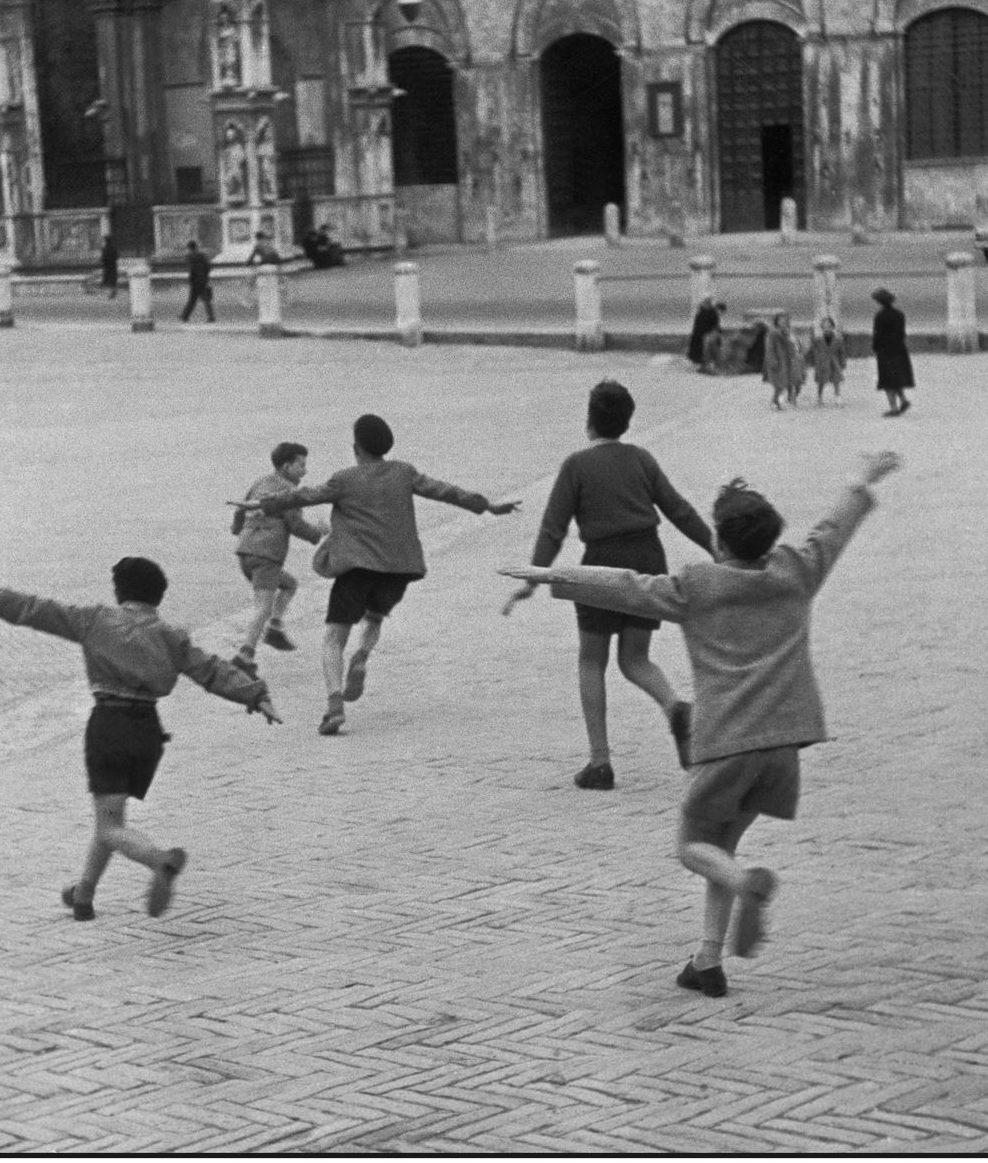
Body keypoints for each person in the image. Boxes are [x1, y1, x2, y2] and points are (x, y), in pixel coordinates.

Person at [502, 451, 902, 998]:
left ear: (720, 542)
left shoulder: (697, 587)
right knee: (722, 846)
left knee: (692, 845)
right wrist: (861, 481)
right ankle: (707, 964)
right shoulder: (796, 572)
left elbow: (626, 586)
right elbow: (832, 531)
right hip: (783, 748)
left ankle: (747, 885)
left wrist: (555, 575)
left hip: (727, 745)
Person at [0, 557, 282, 920]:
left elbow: (41, 610)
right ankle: (83, 895)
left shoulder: (96, 619)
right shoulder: (171, 636)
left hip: (109, 724)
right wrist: (253, 694)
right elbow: (210, 669)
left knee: (111, 826)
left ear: (119, 591)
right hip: (147, 731)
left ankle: (159, 860)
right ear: (157, 597)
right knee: (110, 819)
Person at [235, 414, 520, 737]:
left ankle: (334, 705)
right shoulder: (403, 472)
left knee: (332, 637)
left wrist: (264, 503)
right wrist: (487, 506)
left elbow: (304, 495)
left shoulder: (344, 479)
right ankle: (363, 655)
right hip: (399, 569)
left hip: (357, 568)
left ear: (356, 447)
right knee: (374, 619)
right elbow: (445, 491)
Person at [503, 381, 715, 791]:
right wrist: (715, 547)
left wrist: (534, 578)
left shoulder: (576, 466)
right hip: (647, 560)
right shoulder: (641, 460)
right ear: (627, 421)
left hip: (600, 565)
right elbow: (679, 510)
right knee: (635, 658)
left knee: (591, 661)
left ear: (589, 421)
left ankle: (600, 763)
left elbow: (553, 529)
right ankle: (675, 708)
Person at [230, 442, 326, 677]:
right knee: (262, 607)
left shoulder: (261, 483)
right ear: (286, 467)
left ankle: (275, 627)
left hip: (245, 553)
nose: (305, 471)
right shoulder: (288, 493)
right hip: (266, 555)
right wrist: (319, 532)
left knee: (289, 584)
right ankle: (245, 655)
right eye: (301, 465)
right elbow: (296, 525)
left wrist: (237, 529)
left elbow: (240, 510)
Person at [871, 288, 914, 417]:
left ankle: (894, 407)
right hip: (899, 349)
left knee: (887, 380)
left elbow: (877, 335)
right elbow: (902, 333)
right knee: (897, 377)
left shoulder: (880, 316)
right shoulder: (900, 314)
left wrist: (875, 348)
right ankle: (903, 399)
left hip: (885, 350)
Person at [761, 311, 805, 410]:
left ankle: (788, 399)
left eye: (785, 320)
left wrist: (799, 355)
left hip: (791, 362)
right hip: (779, 362)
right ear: (777, 321)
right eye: (781, 320)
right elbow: (770, 348)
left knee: (794, 382)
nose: (783, 322)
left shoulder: (789, 333)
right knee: (780, 384)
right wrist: (773, 361)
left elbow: (796, 345)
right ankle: (775, 402)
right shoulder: (773, 334)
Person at [807, 316, 847, 405]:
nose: (827, 329)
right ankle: (819, 397)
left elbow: (842, 352)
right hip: (822, 362)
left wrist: (843, 363)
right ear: (822, 328)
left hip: (834, 362)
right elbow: (812, 349)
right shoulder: (818, 339)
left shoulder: (838, 339)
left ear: (833, 327)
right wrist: (813, 361)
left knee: (836, 380)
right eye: (824, 327)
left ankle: (838, 397)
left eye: (829, 326)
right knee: (821, 381)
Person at [181, 238, 215, 323]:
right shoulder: (202, 255)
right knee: (206, 299)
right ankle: (211, 316)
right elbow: (208, 266)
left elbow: (191, 269)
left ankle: (185, 316)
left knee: (192, 299)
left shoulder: (190, 256)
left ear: (189, 248)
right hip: (203, 279)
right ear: (196, 247)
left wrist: (190, 279)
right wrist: (206, 277)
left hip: (195, 280)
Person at [687, 296, 723, 371]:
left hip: (706, 334)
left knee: (709, 351)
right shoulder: (704, 311)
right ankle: (706, 365)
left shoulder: (708, 312)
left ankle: (709, 365)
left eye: (708, 302)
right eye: (706, 302)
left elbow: (714, 324)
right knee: (705, 351)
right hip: (702, 334)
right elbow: (701, 323)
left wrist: (716, 332)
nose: (707, 304)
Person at [99, 232, 120, 299]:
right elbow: (117, 256)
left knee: (107, 280)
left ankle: (111, 292)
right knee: (112, 279)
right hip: (113, 265)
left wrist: (102, 262)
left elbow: (103, 258)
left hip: (107, 266)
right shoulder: (114, 248)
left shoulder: (104, 248)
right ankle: (113, 291)